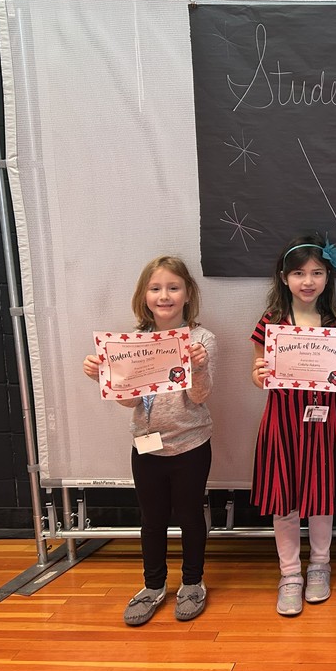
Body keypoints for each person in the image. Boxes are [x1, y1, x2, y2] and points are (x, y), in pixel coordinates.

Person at [82, 256, 215, 626]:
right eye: (156, 288)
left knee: (190, 516)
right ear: (144, 295)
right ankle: (153, 586)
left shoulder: (202, 339)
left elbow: (202, 396)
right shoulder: (131, 342)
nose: (164, 295)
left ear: (188, 294)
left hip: (190, 445)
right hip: (146, 446)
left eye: (173, 287)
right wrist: (104, 376)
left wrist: (199, 365)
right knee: (152, 519)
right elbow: (128, 400)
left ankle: (192, 583)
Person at [250, 234, 336, 617]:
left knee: (320, 497)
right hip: (281, 423)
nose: (308, 281)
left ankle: (319, 565)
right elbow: (257, 375)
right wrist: (259, 372)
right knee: (284, 498)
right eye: (299, 273)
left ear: (328, 277)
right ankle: (290, 573)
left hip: (322, 425)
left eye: (316, 272)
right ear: (284, 278)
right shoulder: (270, 324)